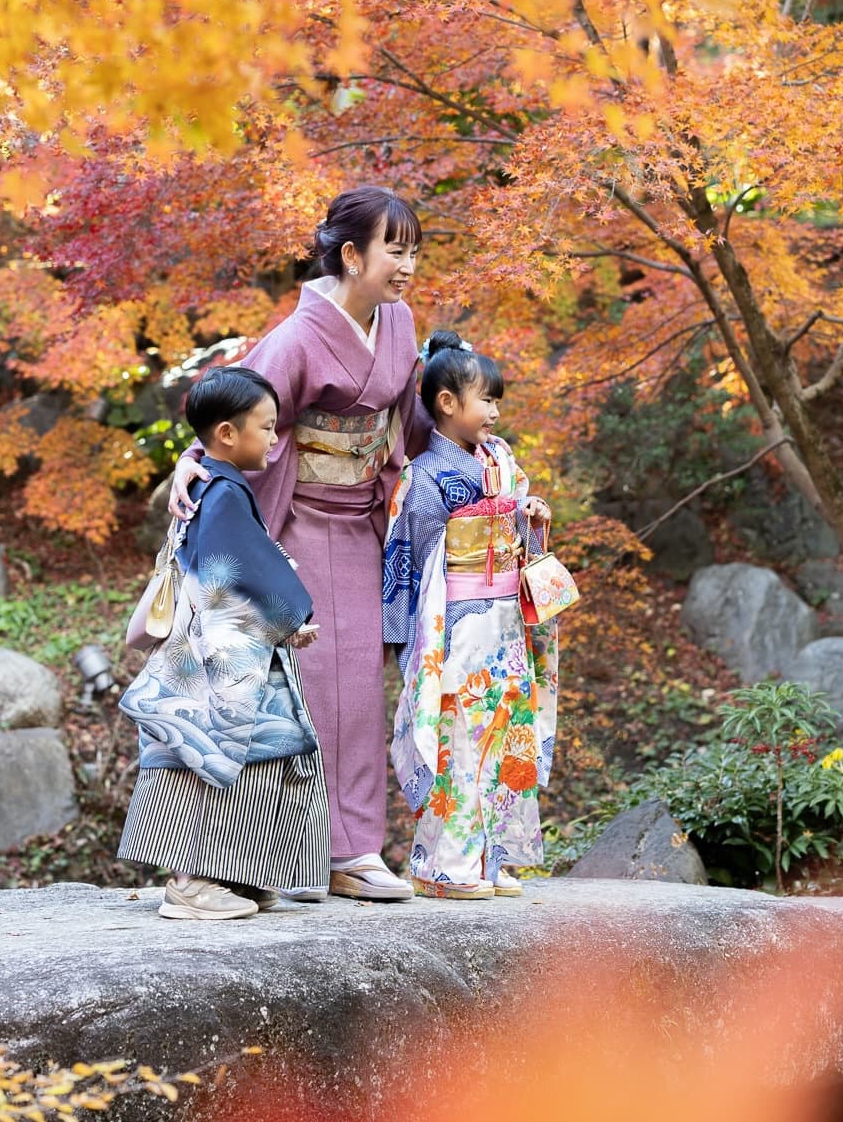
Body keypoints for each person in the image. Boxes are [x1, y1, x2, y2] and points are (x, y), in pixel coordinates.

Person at [169, 186, 431, 902]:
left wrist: (473, 449)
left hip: (365, 521)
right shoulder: (295, 339)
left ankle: (354, 850)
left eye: (414, 252)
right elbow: (226, 415)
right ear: (351, 255)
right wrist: (192, 464)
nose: (407, 266)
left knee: (359, 691)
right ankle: (290, 854)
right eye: (395, 251)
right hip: (296, 523)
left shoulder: (401, 325)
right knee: (303, 689)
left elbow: (410, 423)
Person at [118, 365, 328, 921]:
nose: (275, 439)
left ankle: (238, 873)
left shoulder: (212, 482)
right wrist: (290, 614)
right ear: (228, 434)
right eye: (267, 427)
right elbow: (243, 569)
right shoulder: (224, 492)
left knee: (251, 760)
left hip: (225, 646)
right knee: (212, 761)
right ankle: (189, 882)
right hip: (222, 655)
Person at [384, 330, 560, 900]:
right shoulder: (427, 475)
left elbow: (512, 530)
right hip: (454, 623)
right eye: (486, 399)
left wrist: (525, 514)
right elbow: (412, 557)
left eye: (496, 400)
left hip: (503, 621)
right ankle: (445, 864)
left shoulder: (502, 461)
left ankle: (493, 858)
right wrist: (403, 637)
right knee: (459, 735)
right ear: (447, 403)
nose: (495, 411)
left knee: (507, 730)